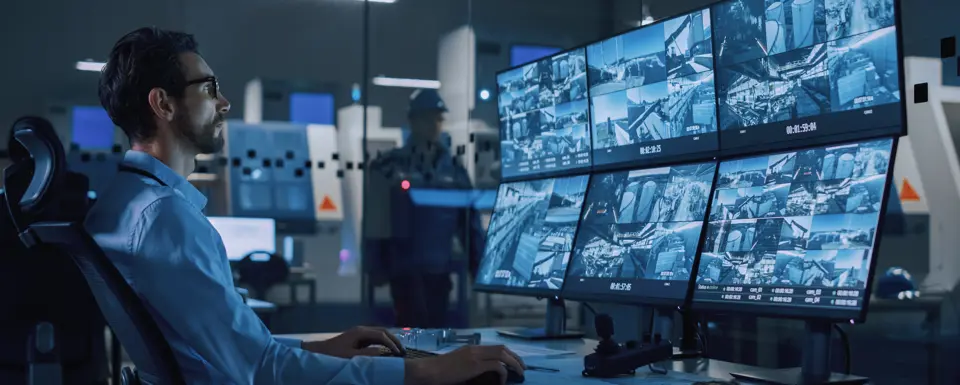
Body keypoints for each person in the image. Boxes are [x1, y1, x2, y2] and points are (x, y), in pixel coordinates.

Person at [84, 27, 523, 385]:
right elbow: (259, 370)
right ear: (163, 103)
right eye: (209, 87)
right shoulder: (164, 218)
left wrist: (322, 347)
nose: (224, 102)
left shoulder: (127, 203)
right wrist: (424, 370)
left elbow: (236, 350)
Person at [365, 89, 486, 329]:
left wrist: (478, 266)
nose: (435, 124)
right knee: (409, 330)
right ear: (413, 121)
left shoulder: (453, 169)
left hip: (438, 268)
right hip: (403, 270)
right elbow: (375, 219)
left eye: (439, 118)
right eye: (428, 118)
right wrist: (375, 265)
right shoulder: (391, 164)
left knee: (436, 330)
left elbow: (469, 221)